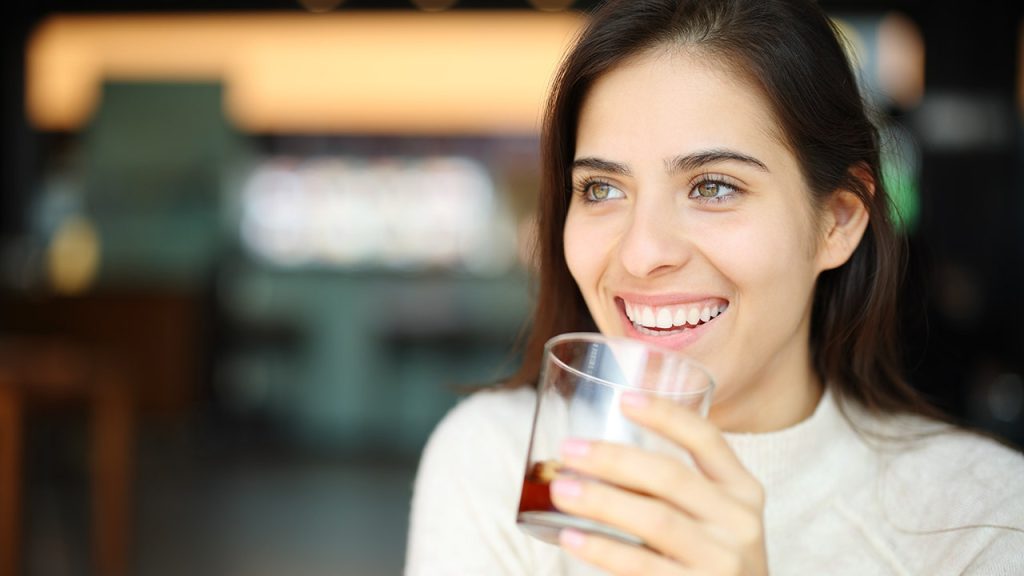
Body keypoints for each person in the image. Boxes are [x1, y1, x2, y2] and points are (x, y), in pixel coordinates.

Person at [405, 0, 1024, 574]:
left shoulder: (980, 521)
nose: (643, 254)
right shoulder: (497, 462)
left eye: (714, 187)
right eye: (601, 189)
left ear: (837, 220)